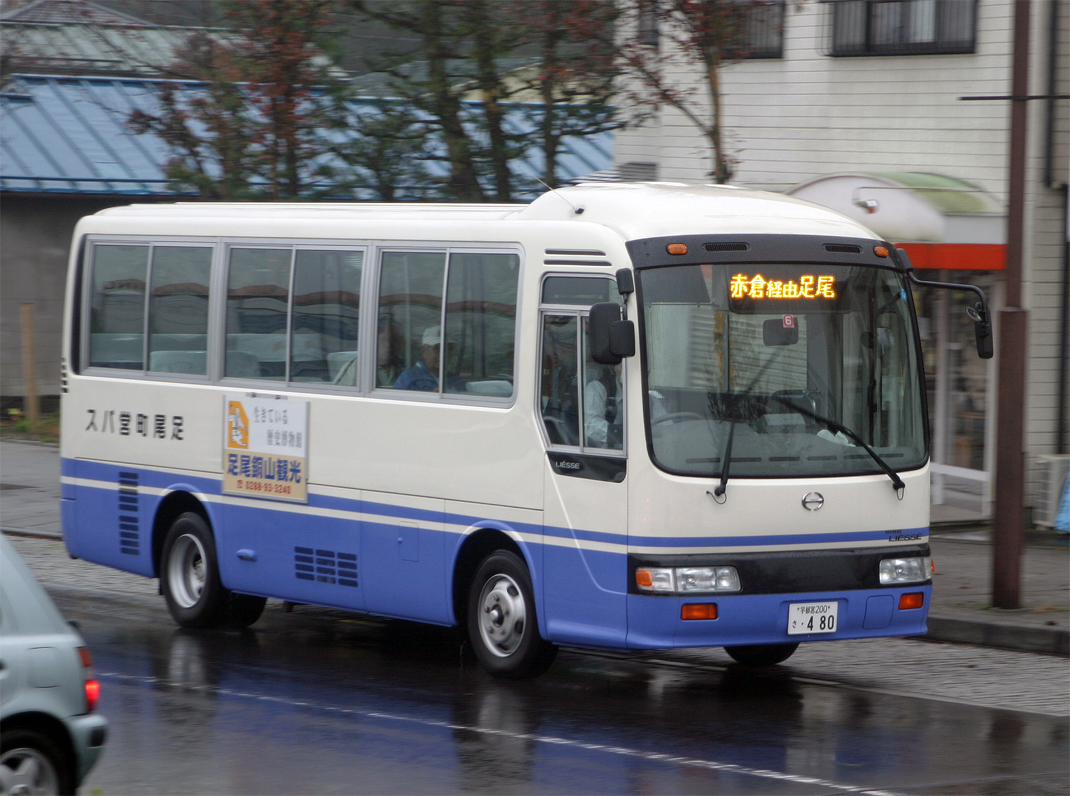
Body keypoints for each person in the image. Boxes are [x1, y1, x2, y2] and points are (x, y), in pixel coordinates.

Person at [393, 325, 462, 392]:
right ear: (424, 351)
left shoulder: (455, 380)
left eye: (448, 349)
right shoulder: (409, 377)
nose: (443, 354)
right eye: (437, 349)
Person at [584, 362, 623, 449]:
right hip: (603, 453)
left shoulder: (647, 399)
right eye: (623, 366)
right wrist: (622, 434)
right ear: (616, 368)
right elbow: (592, 425)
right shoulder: (597, 388)